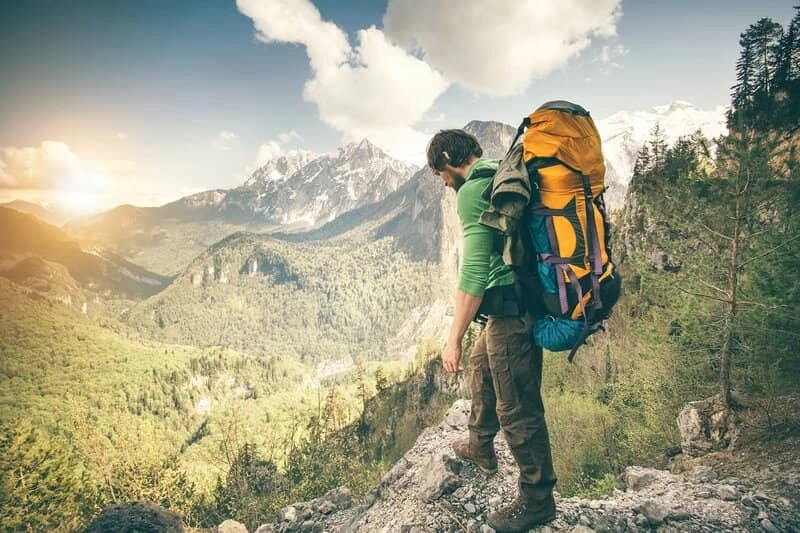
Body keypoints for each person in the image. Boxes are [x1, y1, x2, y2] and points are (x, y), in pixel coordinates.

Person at [426, 129, 557, 532]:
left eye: (439, 173)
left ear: (448, 158)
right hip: (514, 308)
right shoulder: (496, 174)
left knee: (517, 407)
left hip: (511, 314)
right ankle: (480, 446)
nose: (443, 182)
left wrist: (453, 339)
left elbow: (475, 272)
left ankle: (538, 500)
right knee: (482, 366)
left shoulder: (471, 190)